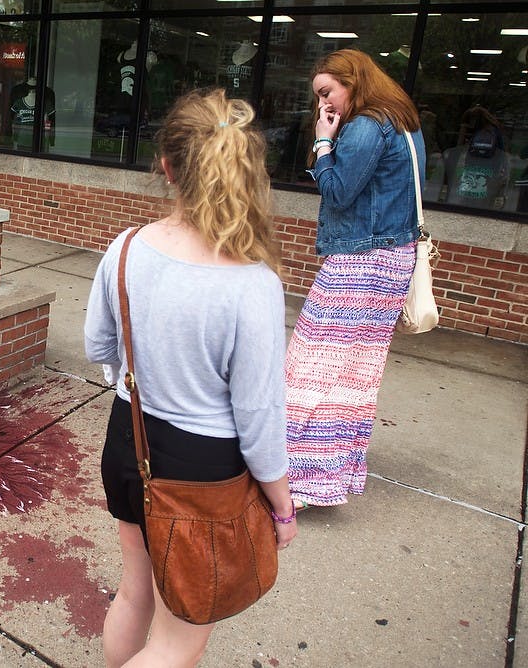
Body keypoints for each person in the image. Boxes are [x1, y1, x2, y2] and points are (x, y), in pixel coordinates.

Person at [84, 88, 295, 667]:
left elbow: (98, 344)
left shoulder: (126, 247)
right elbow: (257, 413)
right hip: (202, 471)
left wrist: (134, 381)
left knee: (135, 591)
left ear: (168, 167)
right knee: (181, 636)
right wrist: (281, 500)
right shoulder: (252, 284)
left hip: (129, 440)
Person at [287, 49, 424, 509]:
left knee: (313, 368)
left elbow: (339, 191)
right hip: (390, 262)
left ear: (354, 81)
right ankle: (327, 478)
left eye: (328, 93)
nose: (325, 105)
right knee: (354, 375)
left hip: (360, 264)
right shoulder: (404, 124)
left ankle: (297, 480)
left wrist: (324, 143)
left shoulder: (368, 124)